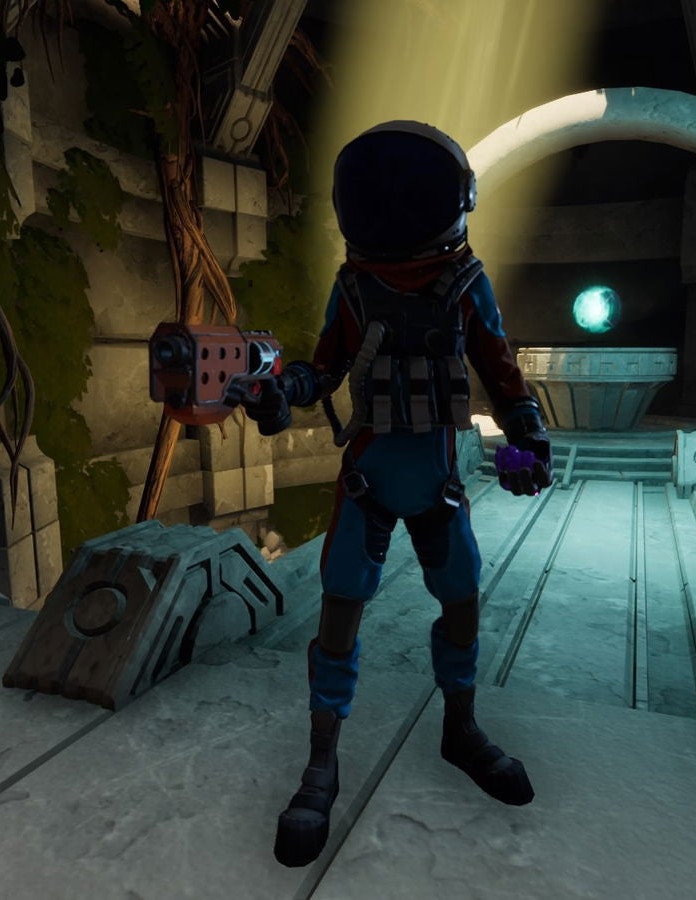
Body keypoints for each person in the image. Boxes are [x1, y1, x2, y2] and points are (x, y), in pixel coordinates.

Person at [230, 120, 553, 868]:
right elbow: (323, 369)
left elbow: (500, 371)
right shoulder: (356, 289)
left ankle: (460, 728)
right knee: (340, 614)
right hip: (372, 478)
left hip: (432, 480)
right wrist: (279, 394)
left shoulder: (465, 286)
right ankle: (322, 761)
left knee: (461, 600)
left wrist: (530, 435)